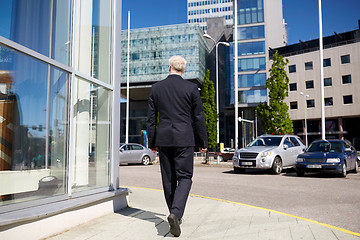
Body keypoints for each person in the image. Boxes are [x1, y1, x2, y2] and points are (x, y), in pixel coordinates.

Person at [147, 56, 208, 237]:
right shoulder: (191, 88)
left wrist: (152, 142)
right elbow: (199, 117)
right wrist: (202, 142)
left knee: (168, 179)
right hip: (184, 139)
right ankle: (176, 213)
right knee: (185, 177)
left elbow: (151, 119)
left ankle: (175, 214)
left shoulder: (156, 88)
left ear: (169, 68)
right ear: (183, 70)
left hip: (164, 139)